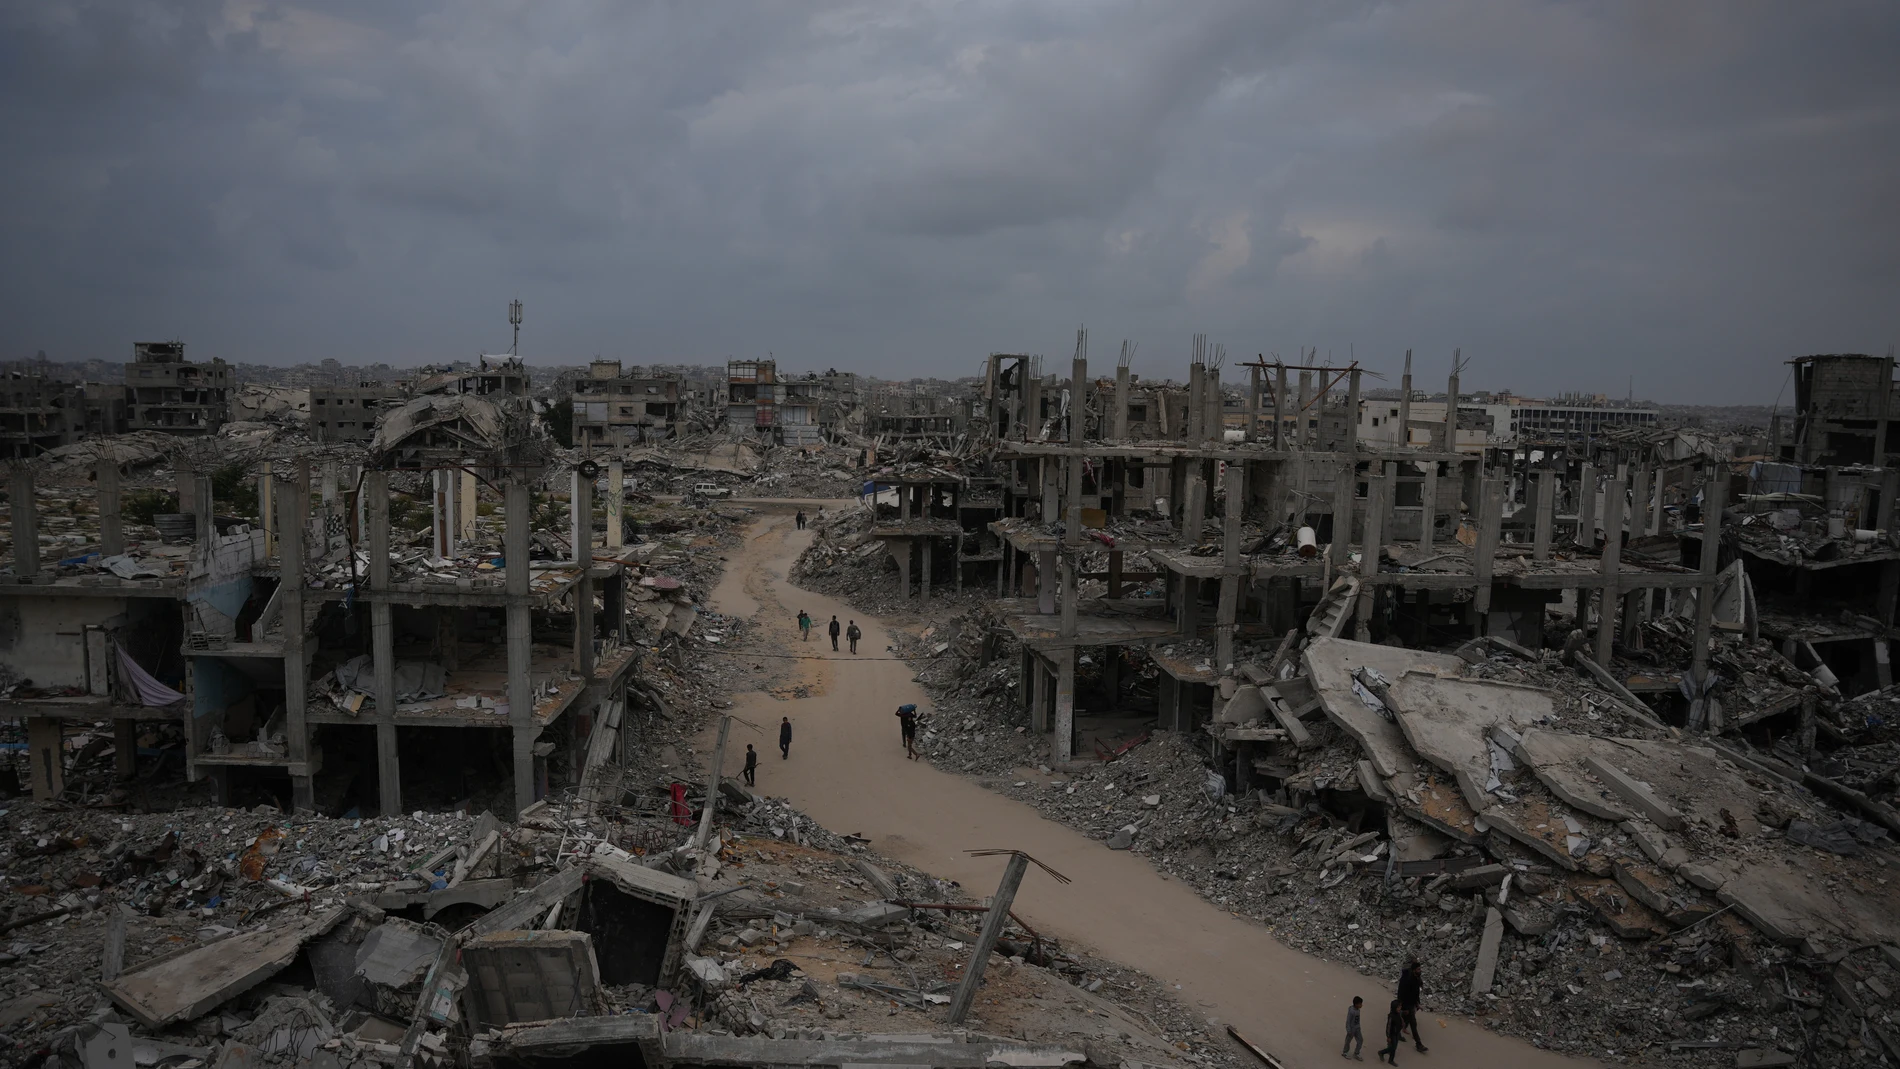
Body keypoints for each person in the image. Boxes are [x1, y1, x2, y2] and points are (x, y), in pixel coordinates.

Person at [1396, 958, 1427, 1052]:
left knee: (1405, 1020)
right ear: (1414, 970)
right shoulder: (1407, 980)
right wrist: (1401, 1005)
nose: (1420, 971)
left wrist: (1417, 1004)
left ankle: (1397, 1033)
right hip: (1406, 1003)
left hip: (1411, 1003)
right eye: (1418, 969)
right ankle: (1419, 1044)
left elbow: (1415, 993)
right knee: (1413, 1023)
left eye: (1420, 969)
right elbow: (1402, 992)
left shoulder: (1416, 979)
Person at [1377, 999, 1404, 1064]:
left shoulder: (1398, 1013)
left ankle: (1391, 1060)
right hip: (1392, 1034)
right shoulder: (1391, 1016)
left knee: (1394, 1047)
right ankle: (1381, 1052)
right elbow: (1388, 1027)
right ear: (1394, 1008)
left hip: (1397, 1033)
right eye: (1398, 1007)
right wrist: (1388, 1036)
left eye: (1400, 1006)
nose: (1400, 1008)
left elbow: (1400, 1019)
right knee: (1393, 1047)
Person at [1342, 995, 1364, 1060]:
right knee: (1348, 1041)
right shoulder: (1351, 1011)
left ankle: (1356, 1053)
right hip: (1351, 1029)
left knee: (1360, 1040)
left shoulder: (1358, 1010)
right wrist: (1348, 1030)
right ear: (1356, 1004)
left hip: (1357, 1028)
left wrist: (1359, 1027)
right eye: (1360, 1004)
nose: (1361, 1005)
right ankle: (1345, 1052)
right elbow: (1348, 1021)